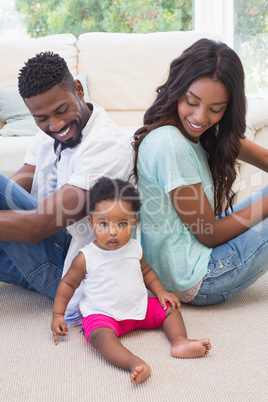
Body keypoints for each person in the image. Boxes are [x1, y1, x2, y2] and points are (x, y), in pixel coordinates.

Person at [0, 51, 133, 325]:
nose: (55, 125)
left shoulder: (107, 146)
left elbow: (39, 225)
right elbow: (24, 177)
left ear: (79, 90)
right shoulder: (46, 131)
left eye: (62, 111)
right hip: (43, 248)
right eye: (42, 118)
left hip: (72, 272)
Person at [132, 38, 268, 305]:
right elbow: (209, 233)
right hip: (197, 279)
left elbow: (263, 156)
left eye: (215, 109)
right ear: (177, 90)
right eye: (191, 101)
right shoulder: (170, 144)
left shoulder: (203, 132)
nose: (199, 117)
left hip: (198, 254)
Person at [51, 177, 211, 384]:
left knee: (170, 307)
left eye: (122, 223)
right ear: (91, 222)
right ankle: (133, 363)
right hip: (104, 315)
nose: (113, 231)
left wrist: (161, 292)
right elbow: (68, 284)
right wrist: (58, 315)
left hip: (139, 308)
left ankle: (179, 342)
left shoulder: (135, 247)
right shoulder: (86, 257)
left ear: (134, 222)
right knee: (98, 336)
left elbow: (147, 272)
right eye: (104, 223)